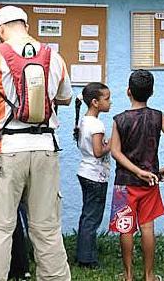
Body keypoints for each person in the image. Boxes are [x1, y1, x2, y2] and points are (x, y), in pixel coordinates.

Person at [0, 5, 72, 281]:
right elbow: (65, 97)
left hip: (6, 151)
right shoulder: (54, 56)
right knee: (47, 229)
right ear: (26, 26)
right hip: (45, 149)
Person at [109, 70, 164, 281]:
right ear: (152, 92)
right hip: (150, 182)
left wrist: (136, 171)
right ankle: (149, 276)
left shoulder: (119, 120)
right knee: (147, 227)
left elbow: (115, 152)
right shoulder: (158, 116)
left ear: (128, 91)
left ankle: (128, 275)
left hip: (124, 182)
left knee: (126, 227)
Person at [0, 29, 31, 281]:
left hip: (1, 147)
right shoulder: (29, 65)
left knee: (0, 218)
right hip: (33, 147)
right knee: (23, 214)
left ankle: (13, 268)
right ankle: (21, 266)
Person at [73, 82, 111, 269]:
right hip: (96, 175)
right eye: (107, 98)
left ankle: (82, 253)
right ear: (95, 102)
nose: (110, 102)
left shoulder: (84, 120)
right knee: (92, 218)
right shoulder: (97, 124)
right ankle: (87, 259)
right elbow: (98, 151)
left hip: (85, 171)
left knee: (86, 216)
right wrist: (112, 143)